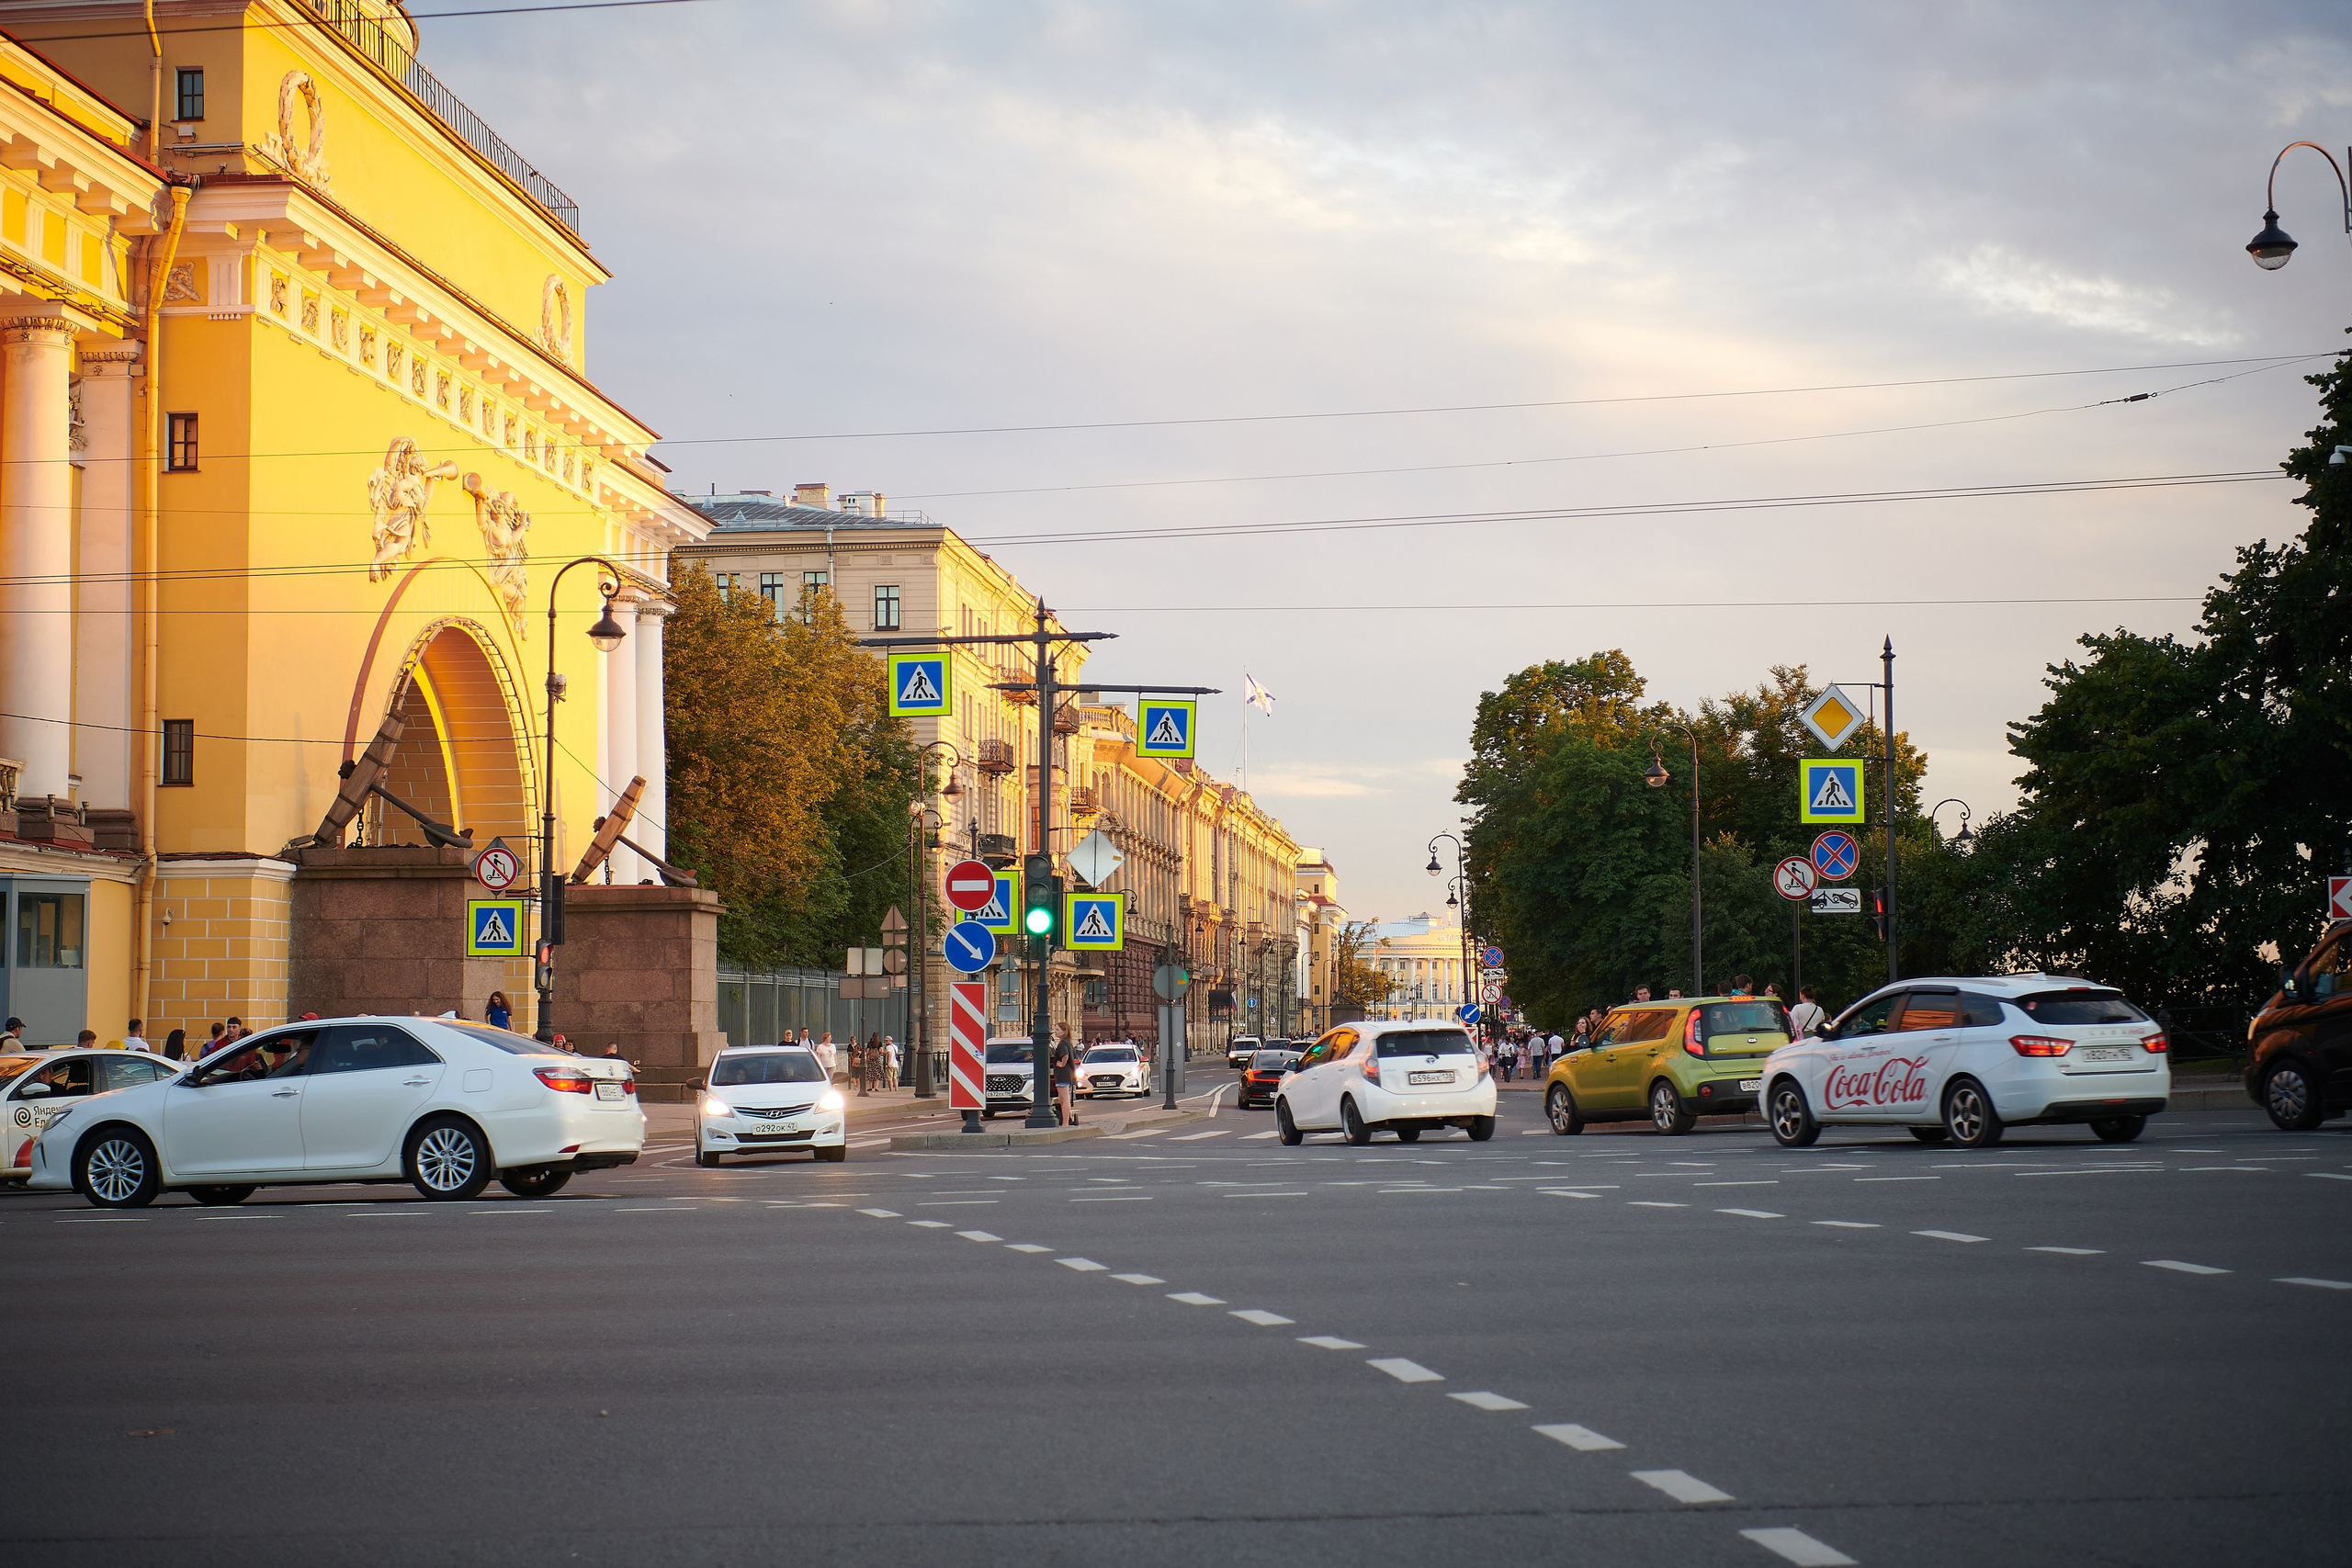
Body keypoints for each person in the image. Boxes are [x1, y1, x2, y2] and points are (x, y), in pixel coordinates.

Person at [1049, 1028, 1078, 1125]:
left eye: (1058, 1030)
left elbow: (1065, 1055)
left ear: (1064, 1032)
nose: (1055, 1031)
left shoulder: (1062, 1044)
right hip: (1067, 1074)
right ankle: (1066, 1121)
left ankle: (1065, 1122)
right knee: (1063, 1099)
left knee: (1064, 1099)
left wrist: (1061, 1064)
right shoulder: (1067, 1042)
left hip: (1063, 1074)